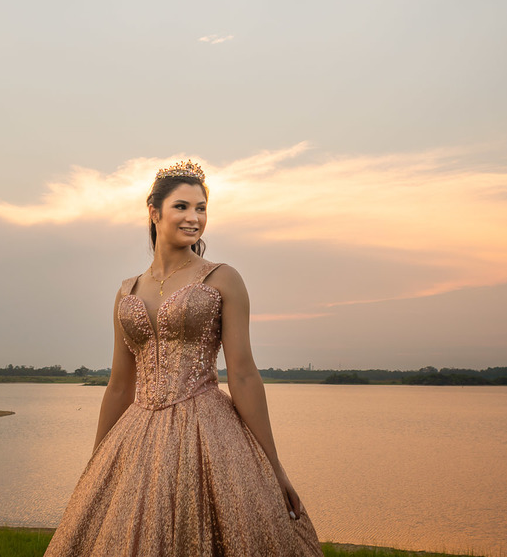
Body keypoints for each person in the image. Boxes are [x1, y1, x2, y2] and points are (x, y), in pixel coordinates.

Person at [44, 159, 322, 555]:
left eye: (202, 208)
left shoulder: (222, 278)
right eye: (182, 207)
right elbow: (120, 385)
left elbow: (242, 375)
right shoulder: (127, 292)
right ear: (154, 211)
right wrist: (96, 466)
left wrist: (273, 468)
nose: (194, 218)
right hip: (137, 434)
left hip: (207, 431)